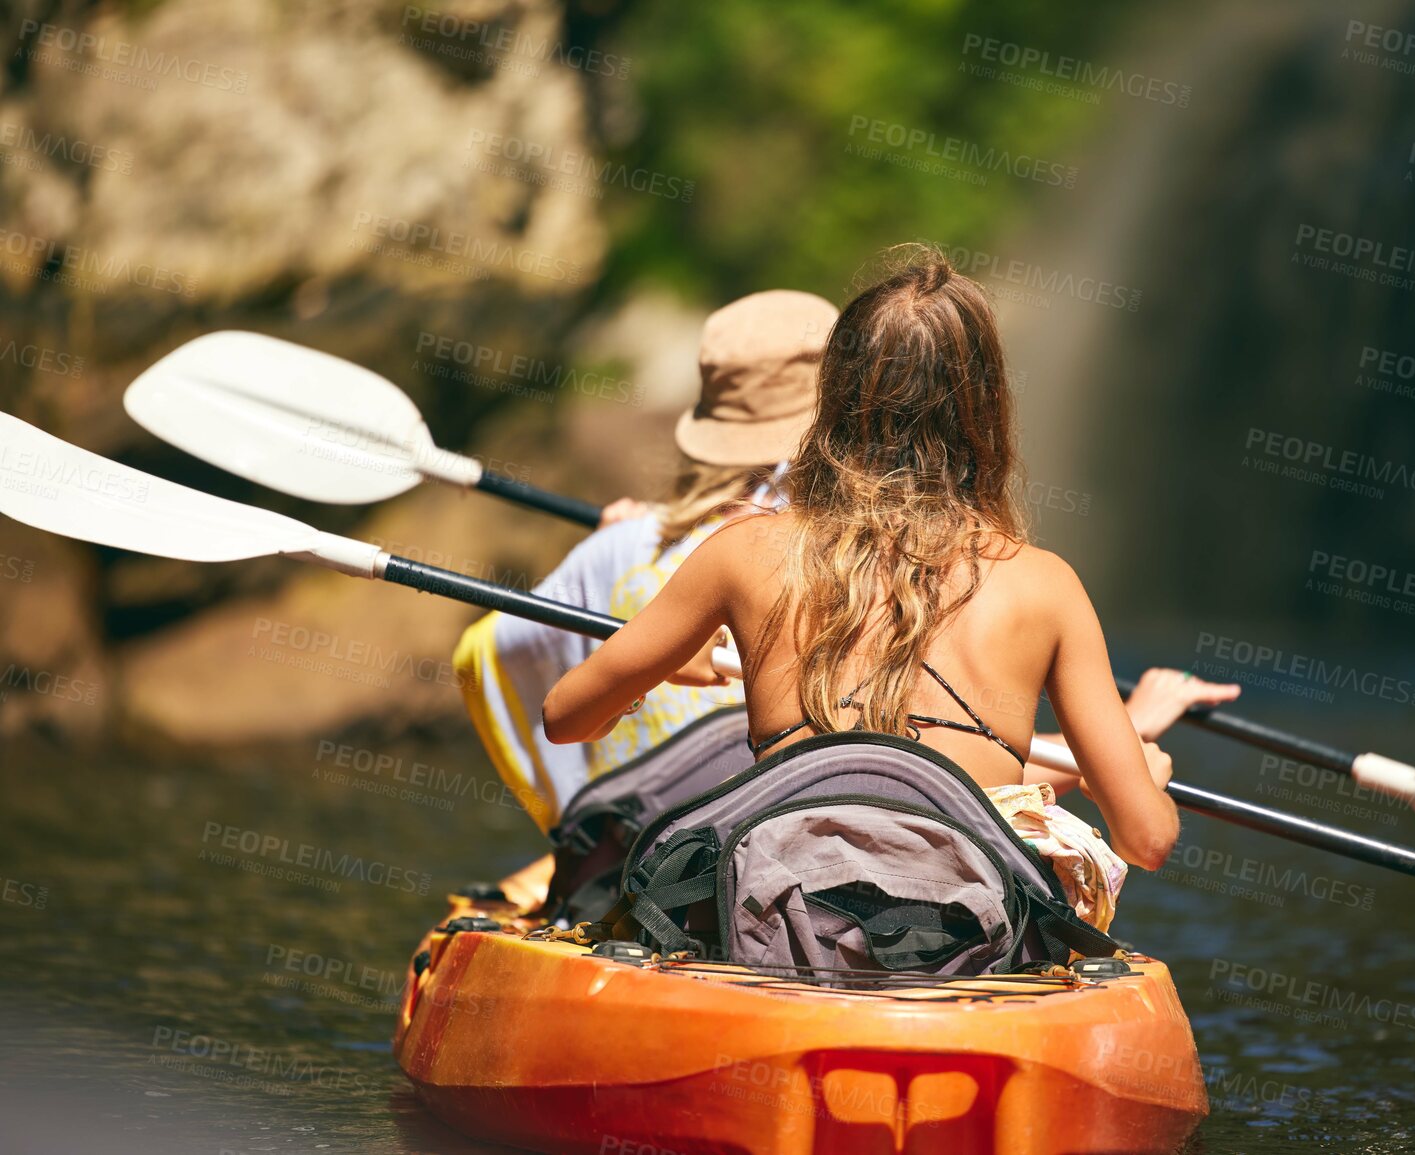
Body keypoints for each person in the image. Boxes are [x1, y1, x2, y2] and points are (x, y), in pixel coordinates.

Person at [543, 247, 1234, 932]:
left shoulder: (740, 550)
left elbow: (565, 717)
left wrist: (647, 681)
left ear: (833, 397)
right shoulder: (1046, 586)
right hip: (962, 944)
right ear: (985, 406)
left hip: (779, 928)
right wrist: (1149, 778)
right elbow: (1145, 841)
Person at [455, 289, 840, 831]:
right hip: (806, 816)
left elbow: (493, 647)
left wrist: (612, 568)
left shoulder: (626, 545)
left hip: (650, 824)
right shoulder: (863, 543)